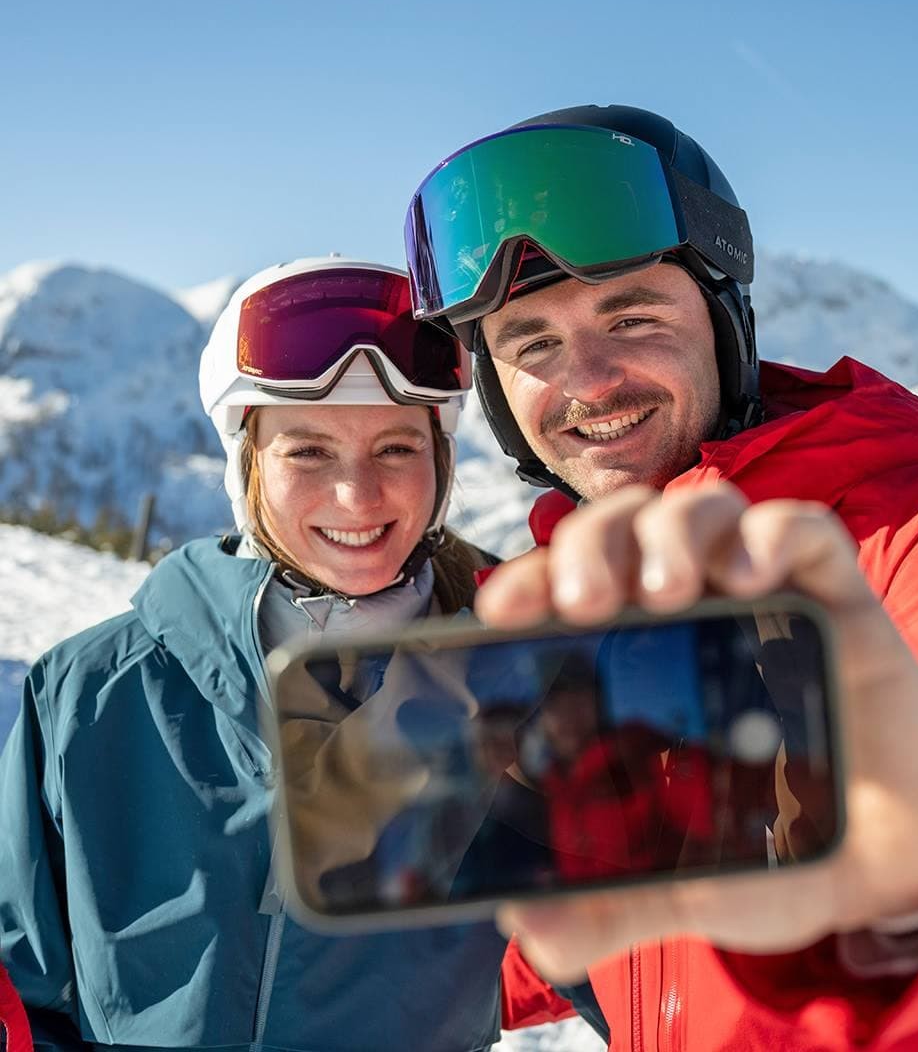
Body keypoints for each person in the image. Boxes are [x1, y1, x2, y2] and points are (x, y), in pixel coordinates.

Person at [404, 105, 918, 1049]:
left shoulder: (905, 526)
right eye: (533, 344)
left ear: (724, 325)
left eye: (633, 316)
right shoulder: (581, 608)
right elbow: (593, 918)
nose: (592, 380)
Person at [0, 257, 562, 1050]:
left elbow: (634, 963)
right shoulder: (91, 693)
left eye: (396, 449)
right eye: (308, 452)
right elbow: (20, 986)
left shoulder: (517, 684)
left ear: (441, 462)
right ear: (247, 466)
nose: (357, 496)